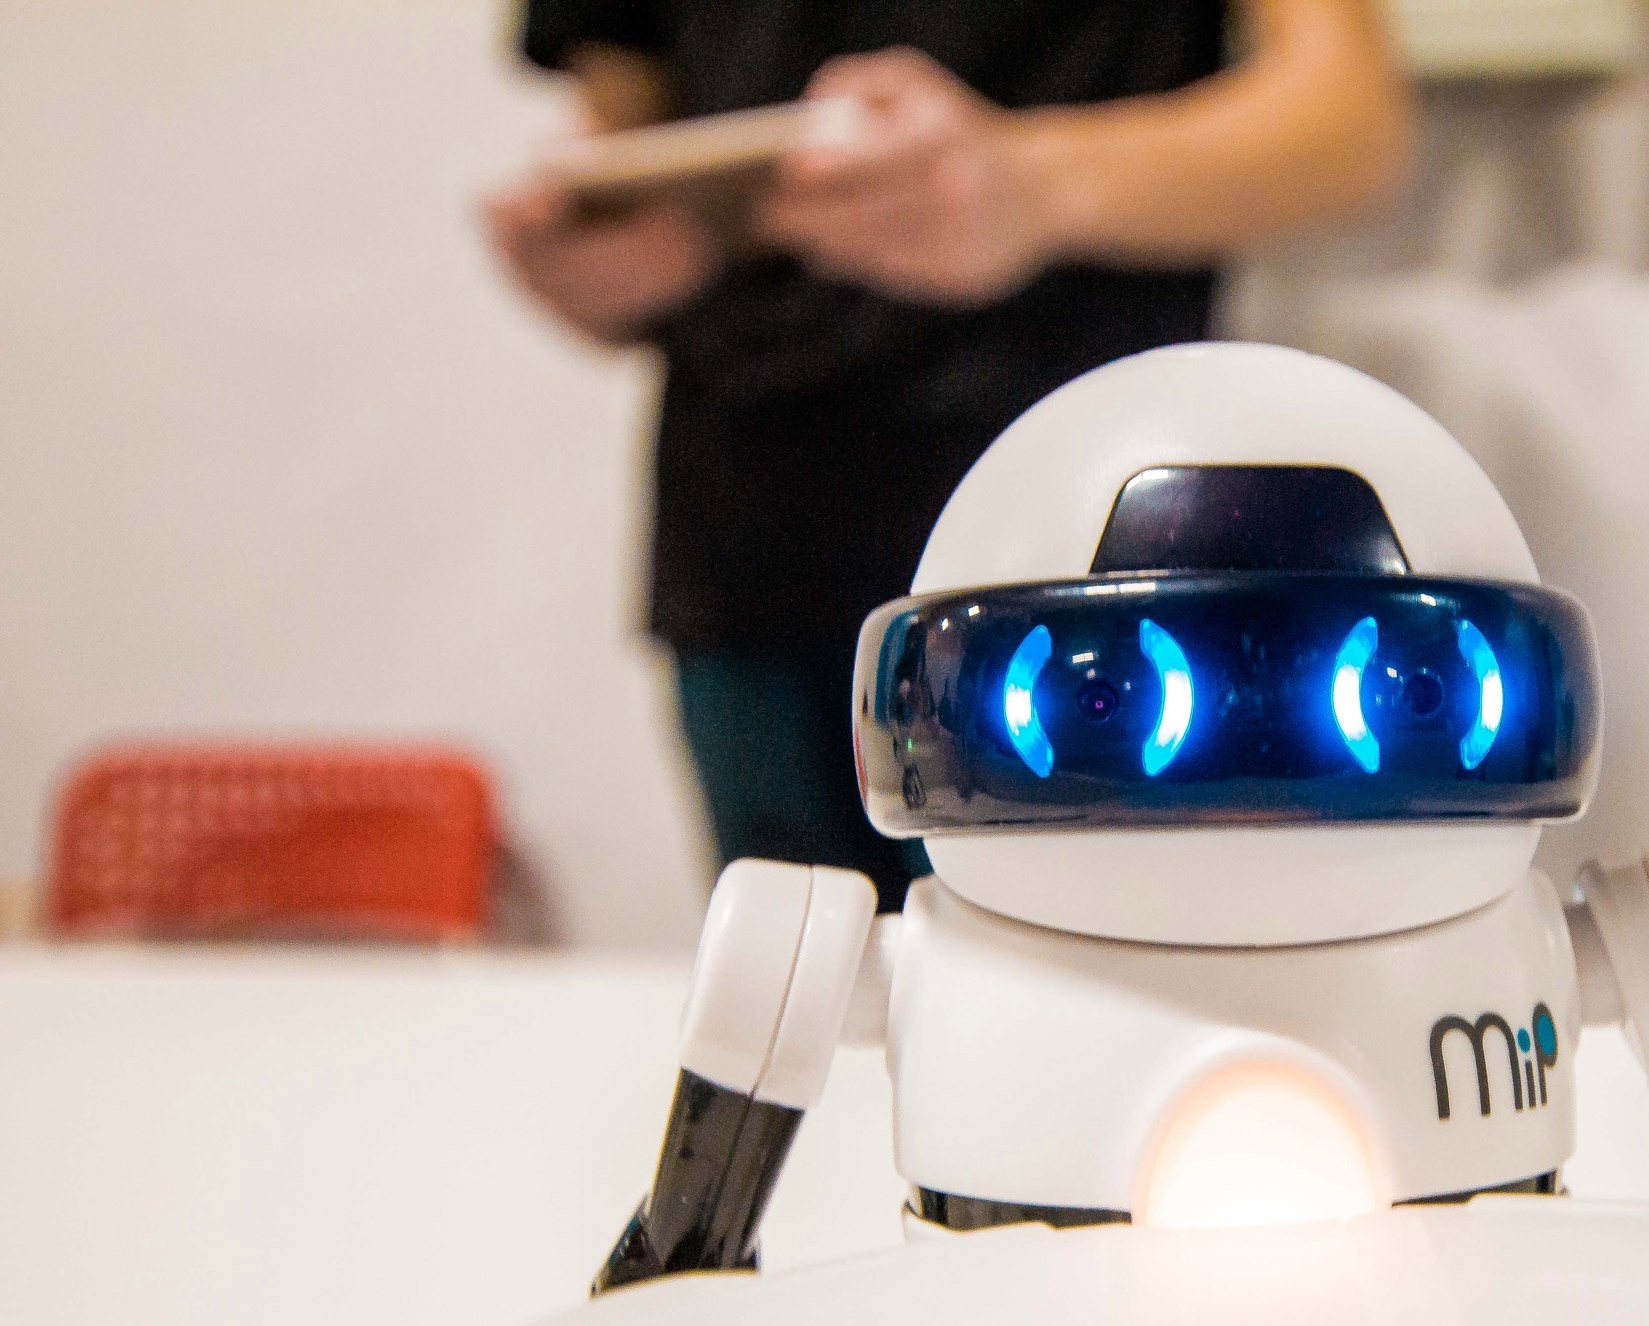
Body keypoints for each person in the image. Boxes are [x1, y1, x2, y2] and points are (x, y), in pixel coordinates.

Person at [485, 1, 1411, 909]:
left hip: (1085, 561)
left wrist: (1035, 183)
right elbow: (628, 142)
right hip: (747, 550)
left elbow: (1346, 118)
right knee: (801, 991)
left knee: (1089, 985)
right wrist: (606, 257)